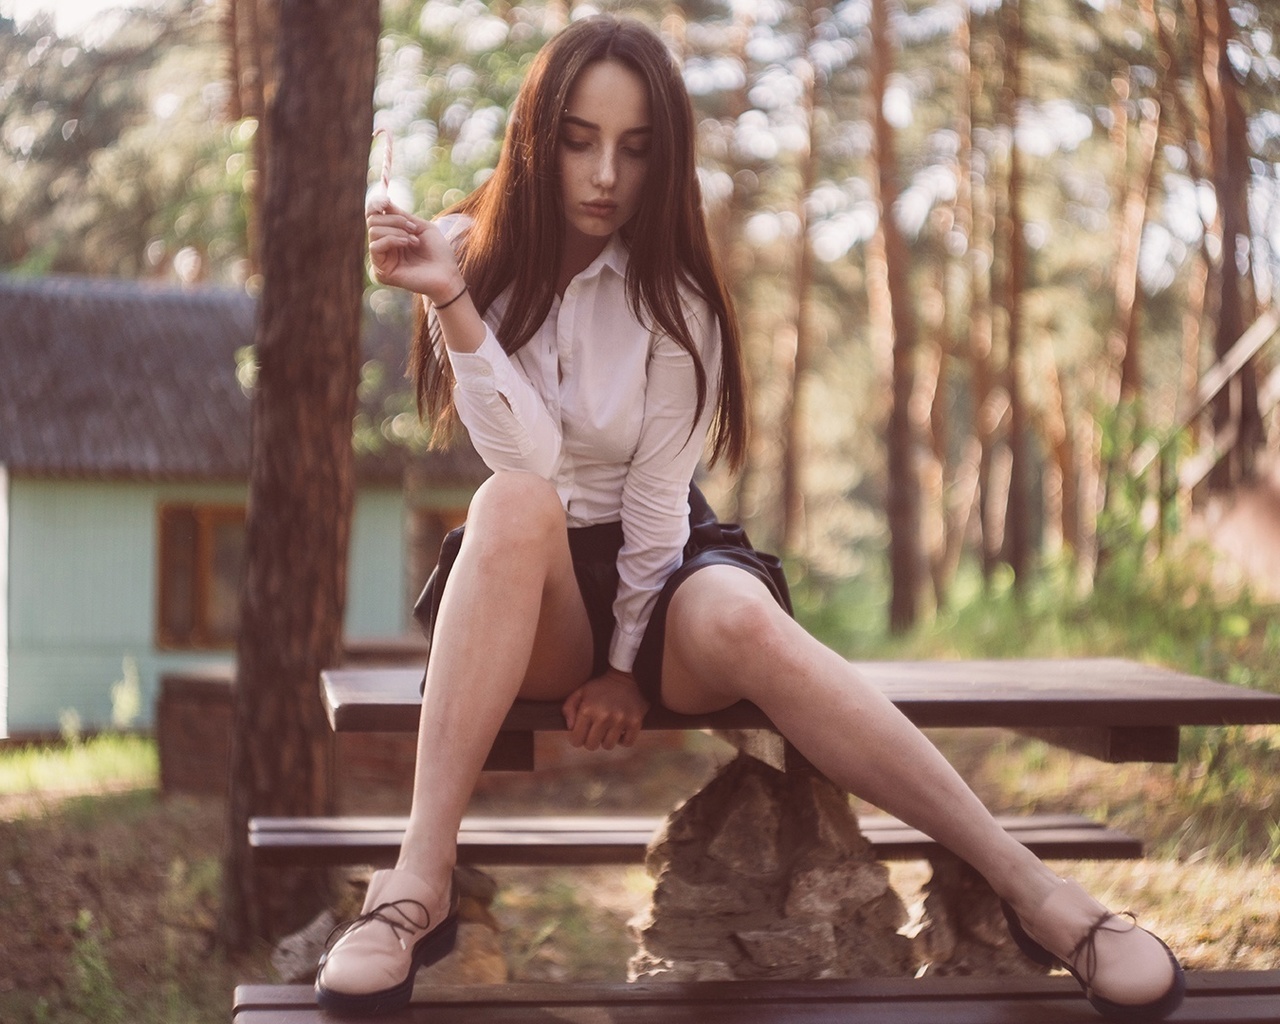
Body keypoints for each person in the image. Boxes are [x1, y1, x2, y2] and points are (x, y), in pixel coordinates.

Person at [316, 14, 1185, 1021]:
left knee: (736, 616)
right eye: (578, 140)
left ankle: (1044, 897)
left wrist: (625, 661)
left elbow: (653, 507)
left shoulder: (676, 297)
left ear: (666, 157)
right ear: (535, 136)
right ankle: (414, 891)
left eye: (635, 149)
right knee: (510, 502)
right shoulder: (464, 254)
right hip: (533, 579)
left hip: (663, 560)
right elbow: (531, 463)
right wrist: (450, 303)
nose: (604, 175)